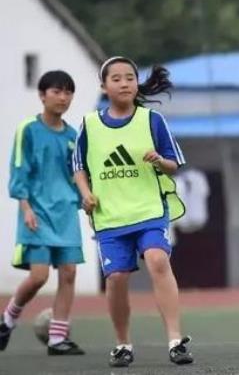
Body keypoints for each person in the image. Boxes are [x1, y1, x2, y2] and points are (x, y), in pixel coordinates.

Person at [72, 56, 190, 367]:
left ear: (136, 83)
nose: (124, 83)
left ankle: (176, 340)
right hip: (110, 217)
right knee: (116, 278)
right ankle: (123, 344)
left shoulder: (152, 120)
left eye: (130, 77)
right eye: (116, 78)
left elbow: (173, 164)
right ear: (103, 86)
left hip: (149, 210)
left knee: (157, 258)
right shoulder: (90, 124)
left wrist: (158, 161)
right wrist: (86, 195)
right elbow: (78, 167)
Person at [0, 71, 85, 355]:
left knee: (69, 273)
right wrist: (25, 207)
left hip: (66, 215)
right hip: (36, 214)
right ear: (42, 95)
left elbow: (78, 176)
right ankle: (8, 319)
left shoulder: (74, 136)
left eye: (68, 92)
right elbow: (19, 169)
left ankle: (57, 339)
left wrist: (85, 200)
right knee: (38, 277)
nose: (63, 97)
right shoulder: (28, 129)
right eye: (56, 91)